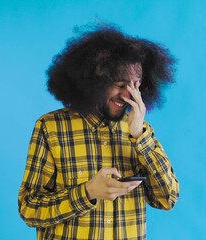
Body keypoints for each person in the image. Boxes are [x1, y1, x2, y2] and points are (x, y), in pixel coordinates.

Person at [18, 23, 179, 240]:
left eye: (136, 84)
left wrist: (140, 136)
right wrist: (87, 192)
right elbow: (29, 209)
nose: (128, 95)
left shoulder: (140, 131)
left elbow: (167, 199)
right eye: (120, 84)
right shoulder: (51, 128)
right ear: (95, 80)